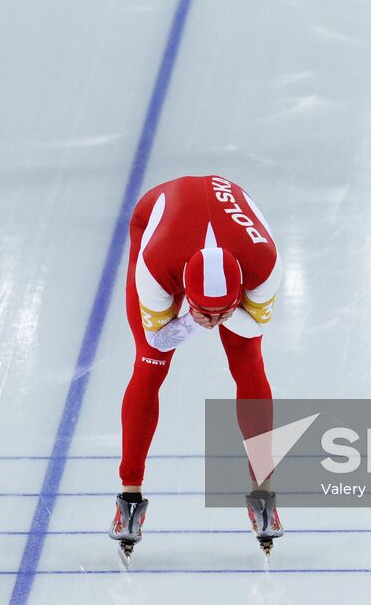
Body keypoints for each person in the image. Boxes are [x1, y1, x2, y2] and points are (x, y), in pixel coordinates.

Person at [109, 174, 284, 560]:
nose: (214, 319)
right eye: (207, 310)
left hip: (231, 240)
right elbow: (158, 338)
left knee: (249, 360)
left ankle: (263, 486)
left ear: (241, 291)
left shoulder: (265, 265)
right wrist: (190, 319)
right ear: (185, 293)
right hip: (156, 217)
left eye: (224, 310)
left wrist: (214, 314)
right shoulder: (155, 269)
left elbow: (255, 324)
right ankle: (129, 494)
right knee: (149, 365)